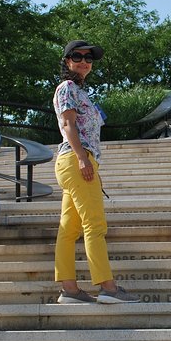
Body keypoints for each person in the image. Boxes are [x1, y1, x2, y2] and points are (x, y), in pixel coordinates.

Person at [53, 39, 138, 304]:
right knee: (95, 225)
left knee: (69, 228)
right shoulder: (67, 87)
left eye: (89, 59)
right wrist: (82, 158)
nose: (84, 62)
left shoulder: (81, 93)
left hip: (77, 161)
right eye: (77, 57)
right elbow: (68, 125)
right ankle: (108, 288)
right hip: (75, 158)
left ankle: (69, 290)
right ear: (67, 61)